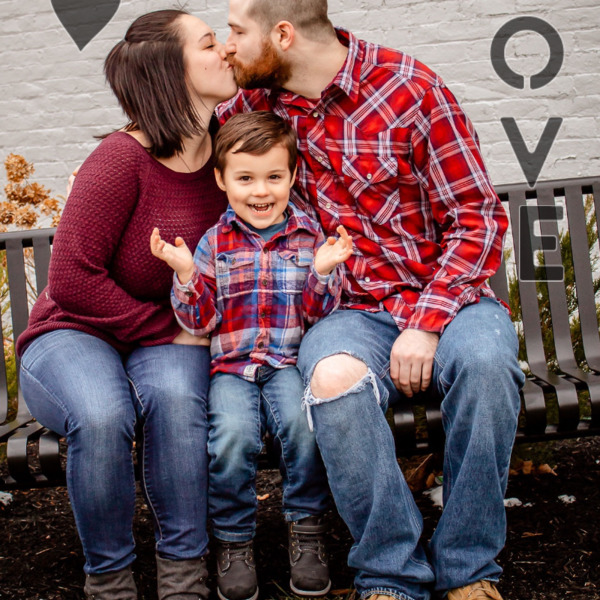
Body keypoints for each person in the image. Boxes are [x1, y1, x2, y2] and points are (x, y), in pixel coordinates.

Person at [216, 2, 526, 600]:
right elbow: (179, 130)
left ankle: (468, 569)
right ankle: (390, 572)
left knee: (488, 365)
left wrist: (427, 323)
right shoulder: (256, 106)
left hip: (448, 299)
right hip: (348, 311)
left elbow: (477, 217)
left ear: (282, 35)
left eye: (235, 31)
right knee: (332, 380)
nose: (227, 45)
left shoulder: (410, 89)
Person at [16, 9, 237, 600]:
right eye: (210, 43)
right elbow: (70, 279)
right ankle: (110, 579)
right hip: (75, 330)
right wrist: (169, 327)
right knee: (101, 414)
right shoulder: (121, 159)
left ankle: (183, 574)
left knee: (176, 399)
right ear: (170, 70)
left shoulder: (229, 156)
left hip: (163, 332)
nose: (226, 50)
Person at [150, 110, 353, 600]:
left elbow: (318, 315)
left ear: (292, 176)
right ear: (221, 180)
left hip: (286, 364)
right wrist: (185, 275)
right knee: (230, 439)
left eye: (273, 177)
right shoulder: (213, 243)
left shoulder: (310, 236)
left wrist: (324, 272)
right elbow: (200, 322)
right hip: (231, 370)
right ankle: (234, 541)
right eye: (245, 179)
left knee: (304, 429)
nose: (261, 191)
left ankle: (307, 530)